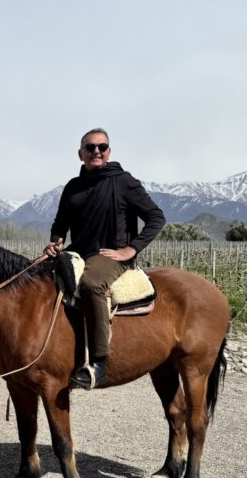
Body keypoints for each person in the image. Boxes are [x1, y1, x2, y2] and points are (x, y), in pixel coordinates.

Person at [45, 128, 165, 388]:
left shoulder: (123, 181)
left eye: (101, 147)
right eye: (90, 147)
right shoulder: (73, 187)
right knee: (39, 279)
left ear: (109, 151)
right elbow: (60, 223)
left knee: (92, 284)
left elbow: (156, 217)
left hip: (110, 255)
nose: (96, 151)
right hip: (78, 251)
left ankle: (99, 362)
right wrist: (55, 242)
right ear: (81, 154)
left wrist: (130, 249)